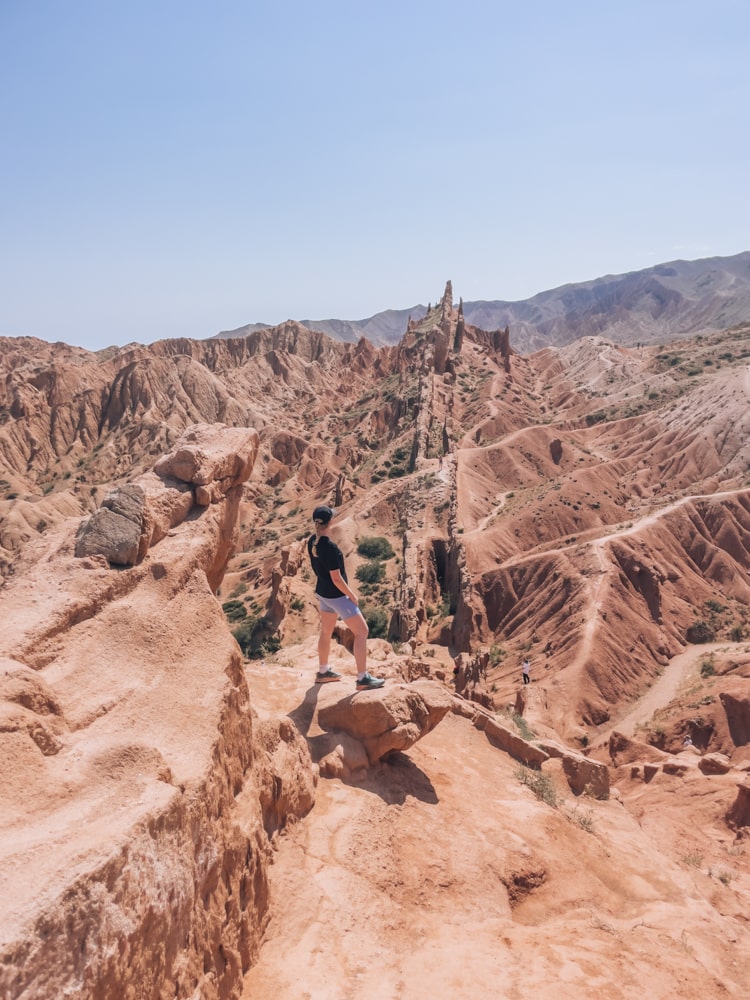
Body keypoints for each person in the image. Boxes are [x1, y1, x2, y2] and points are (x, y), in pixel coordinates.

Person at [307, 505, 385, 691]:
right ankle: (362, 679)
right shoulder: (330, 548)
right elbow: (336, 578)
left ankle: (323, 672)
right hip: (337, 596)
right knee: (362, 632)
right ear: (330, 522)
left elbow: (320, 570)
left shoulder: (312, 542)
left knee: (326, 632)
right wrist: (351, 595)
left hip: (323, 593)